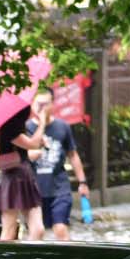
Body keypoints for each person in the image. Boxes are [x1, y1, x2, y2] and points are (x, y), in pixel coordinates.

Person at [30, 89, 90, 240]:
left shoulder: (62, 127)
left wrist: (82, 182)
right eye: (39, 104)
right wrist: (41, 126)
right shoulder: (27, 128)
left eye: (46, 104)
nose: (42, 108)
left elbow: (73, 155)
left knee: (60, 228)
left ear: (53, 105)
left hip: (59, 187)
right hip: (35, 189)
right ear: (32, 105)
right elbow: (28, 156)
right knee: (37, 231)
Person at [0, 115, 44, 241]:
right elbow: (33, 144)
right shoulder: (8, 128)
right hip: (13, 179)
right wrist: (42, 122)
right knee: (9, 230)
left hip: (24, 176)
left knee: (38, 229)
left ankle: (30, 258)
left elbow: (23, 154)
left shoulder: (12, 127)